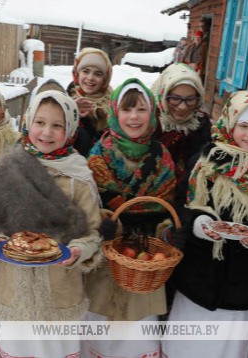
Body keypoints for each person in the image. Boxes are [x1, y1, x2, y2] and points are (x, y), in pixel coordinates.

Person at [0, 90, 102, 357]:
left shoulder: (77, 176)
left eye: (57, 125)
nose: (46, 132)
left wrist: (81, 250)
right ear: (27, 122)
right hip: (15, 294)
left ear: (70, 129)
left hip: (60, 295)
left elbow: (92, 232)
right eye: (40, 122)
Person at [163, 91, 248, 358]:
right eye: (243, 126)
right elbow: (182, 207)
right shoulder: (206, 162)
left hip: (241, 284)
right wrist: (199, 224)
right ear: (230, 124)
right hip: (197, 277)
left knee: (226, 349)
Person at [82, 78, 176, 358]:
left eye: (141, 110)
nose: (133, 117)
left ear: (153, 114)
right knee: (100, 322)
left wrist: (166, 233)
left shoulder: (162, 157)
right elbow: (85, 205)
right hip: (104, 256)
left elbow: (168, 209)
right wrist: (100, 220)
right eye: (127, 110)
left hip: (145, 261)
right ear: (115, 112)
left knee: (137, 331)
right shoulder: (98, 156)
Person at [151, 63, 212, 183]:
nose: (183, 106)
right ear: (163, 95)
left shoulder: (203, 126)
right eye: (175, 98)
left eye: (190, 99)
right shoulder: (149, 122)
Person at [66, 47, 113, 156]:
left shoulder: (114, 105)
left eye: (98, 74)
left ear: (105, 79)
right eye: (85, 71)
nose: (90, 78)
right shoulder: (65, 100)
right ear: (77, 74)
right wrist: (71, 110)